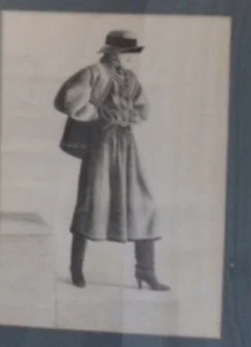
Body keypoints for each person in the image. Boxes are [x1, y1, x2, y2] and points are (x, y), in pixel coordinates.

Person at [53, 30, 167, 291]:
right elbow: (67, 101)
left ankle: (146, 272)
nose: (131, 59)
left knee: (144, 205)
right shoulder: (94, 72)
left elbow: (142, 109)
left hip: (127, 146)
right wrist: (98, 114)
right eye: (128, 54)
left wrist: (127, 118)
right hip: (101, 146)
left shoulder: (131, 78)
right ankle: (76, 270)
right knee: (92, 204)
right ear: (114, 54)